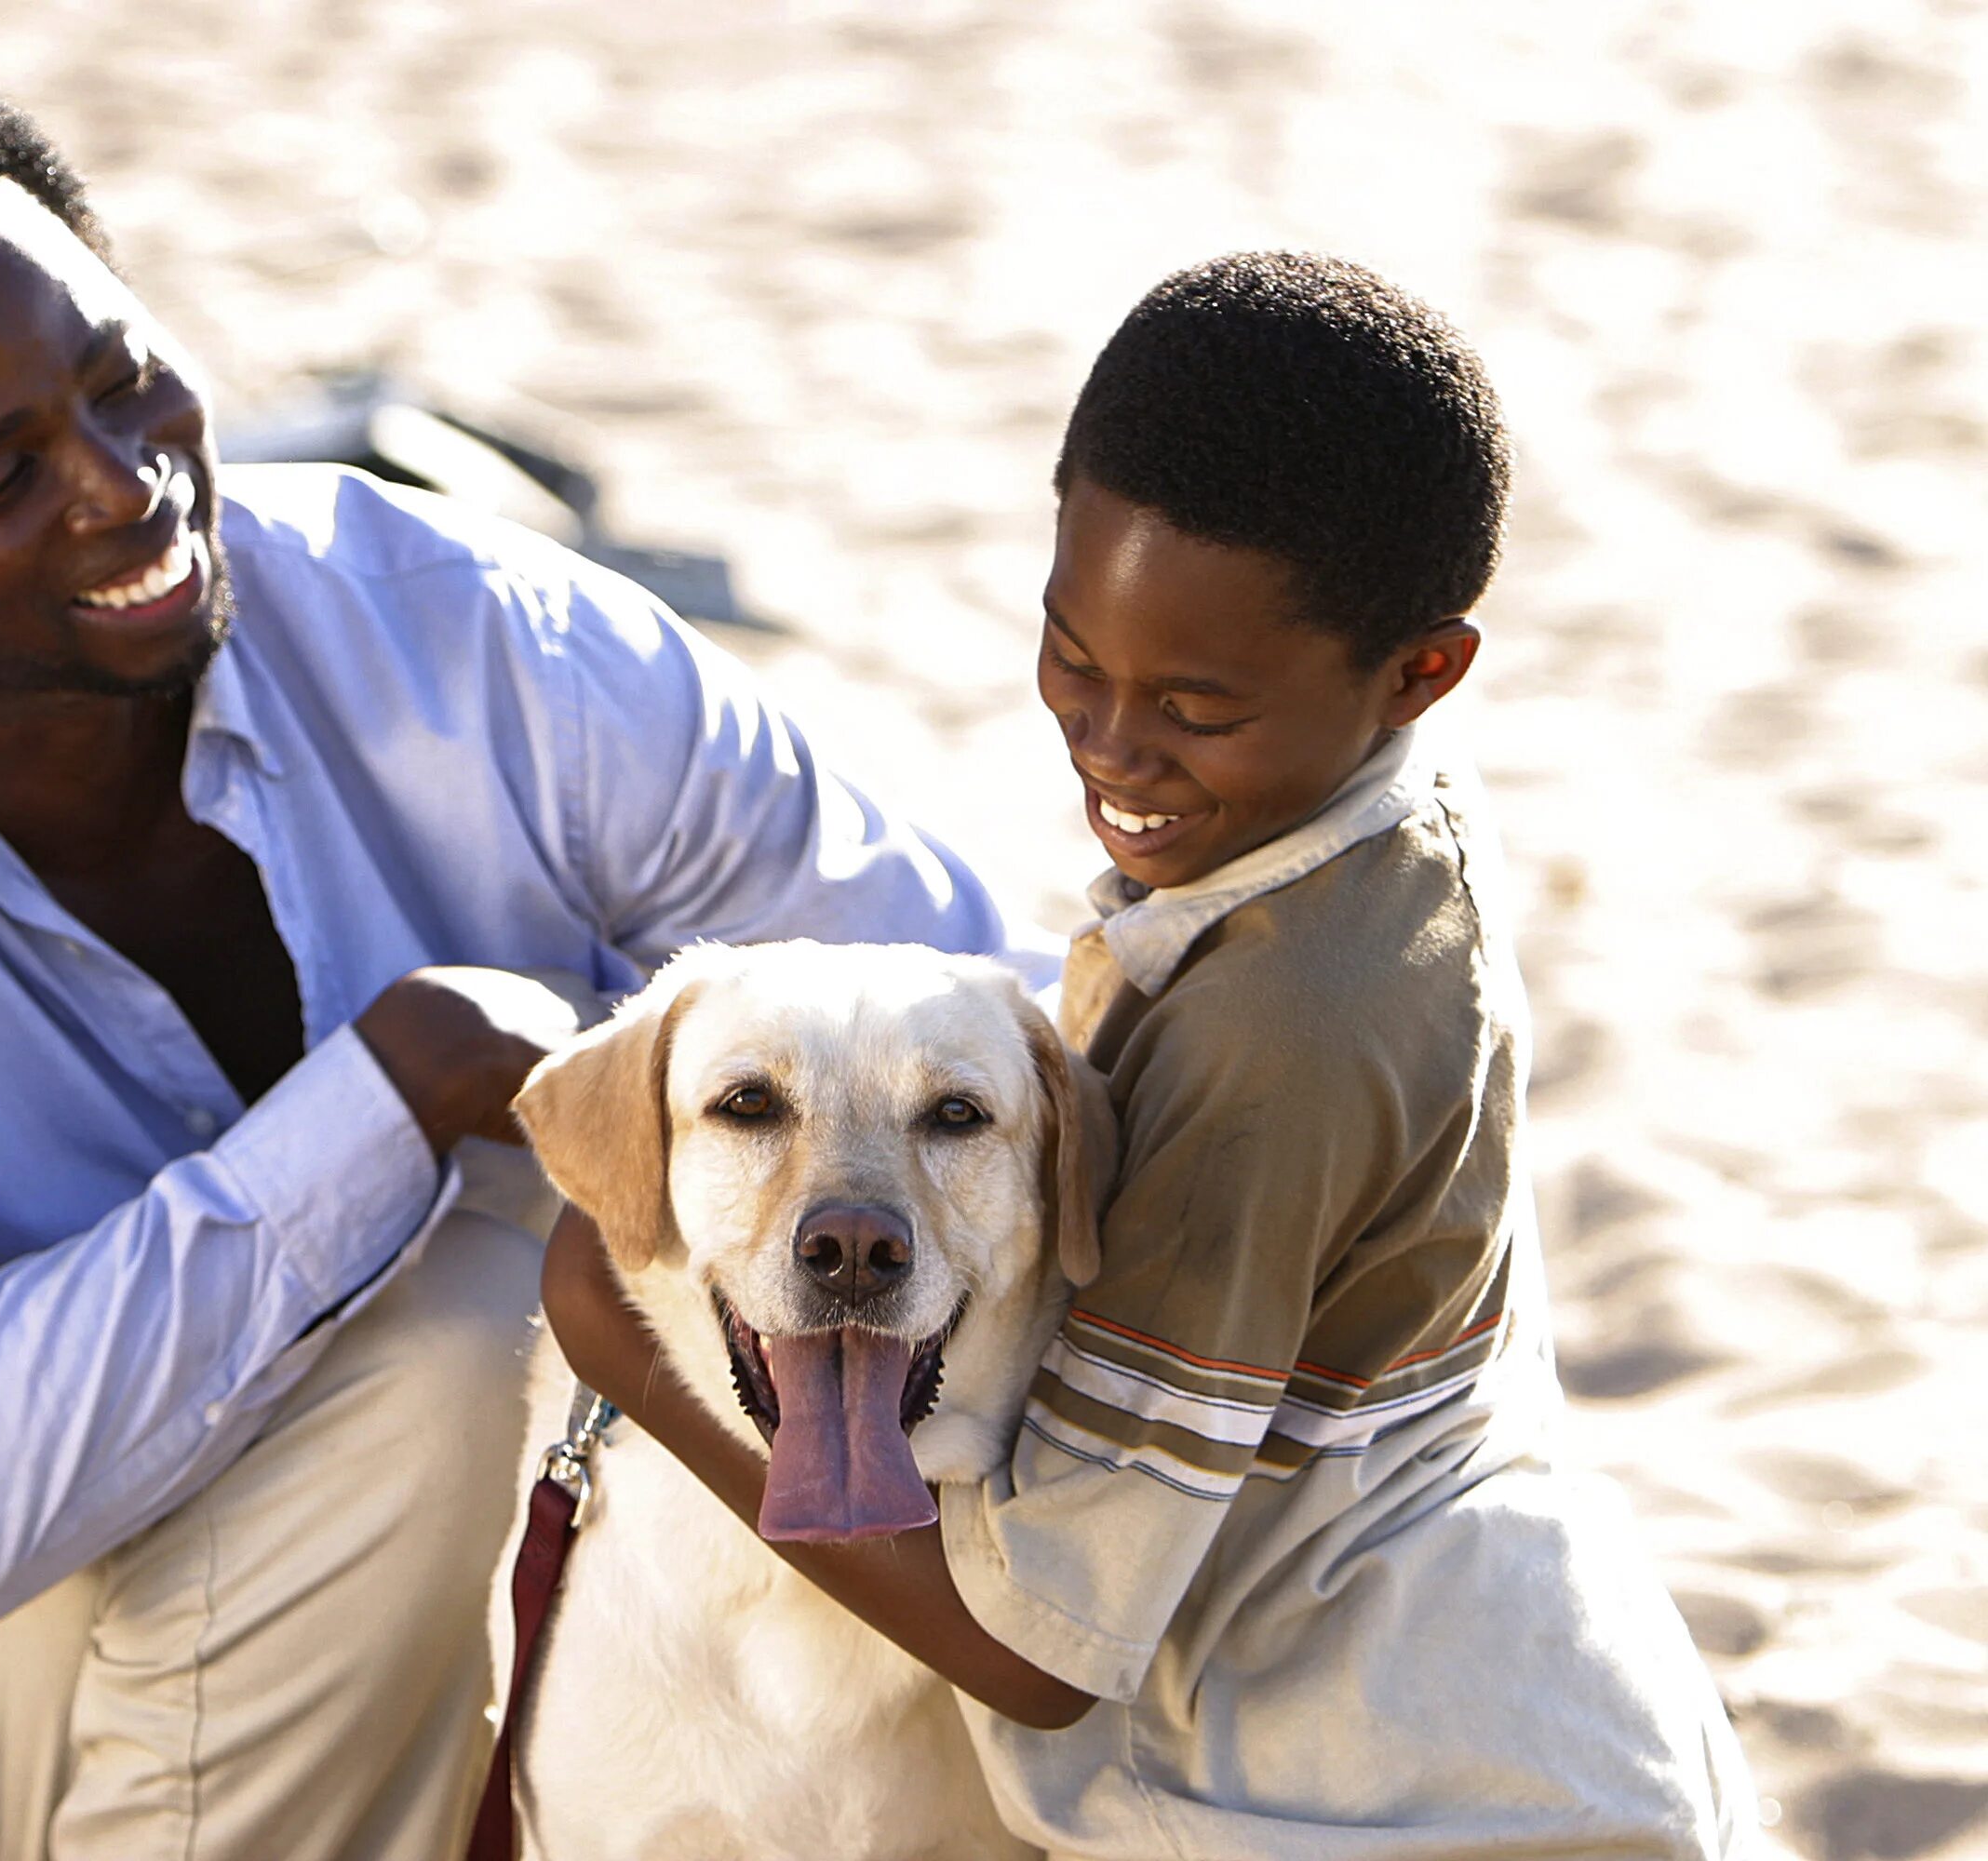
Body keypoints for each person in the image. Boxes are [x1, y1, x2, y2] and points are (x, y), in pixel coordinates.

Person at [0, 52, 1041, 1861]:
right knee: (473, 1309)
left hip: (316, 1578)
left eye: (123, 375)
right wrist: (391, 1092)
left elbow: (957, 994)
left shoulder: (459, 628)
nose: (121, 484)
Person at [545, 252, 1753, 1854]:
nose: (1113, 749)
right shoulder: (1378, 847)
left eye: (1194, 702)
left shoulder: (1280, 1037)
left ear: (1421, 669)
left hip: (1387, 1794)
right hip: (1534, 1703)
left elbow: (1044, 1659)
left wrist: (613, 1340)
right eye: (1072, 659)